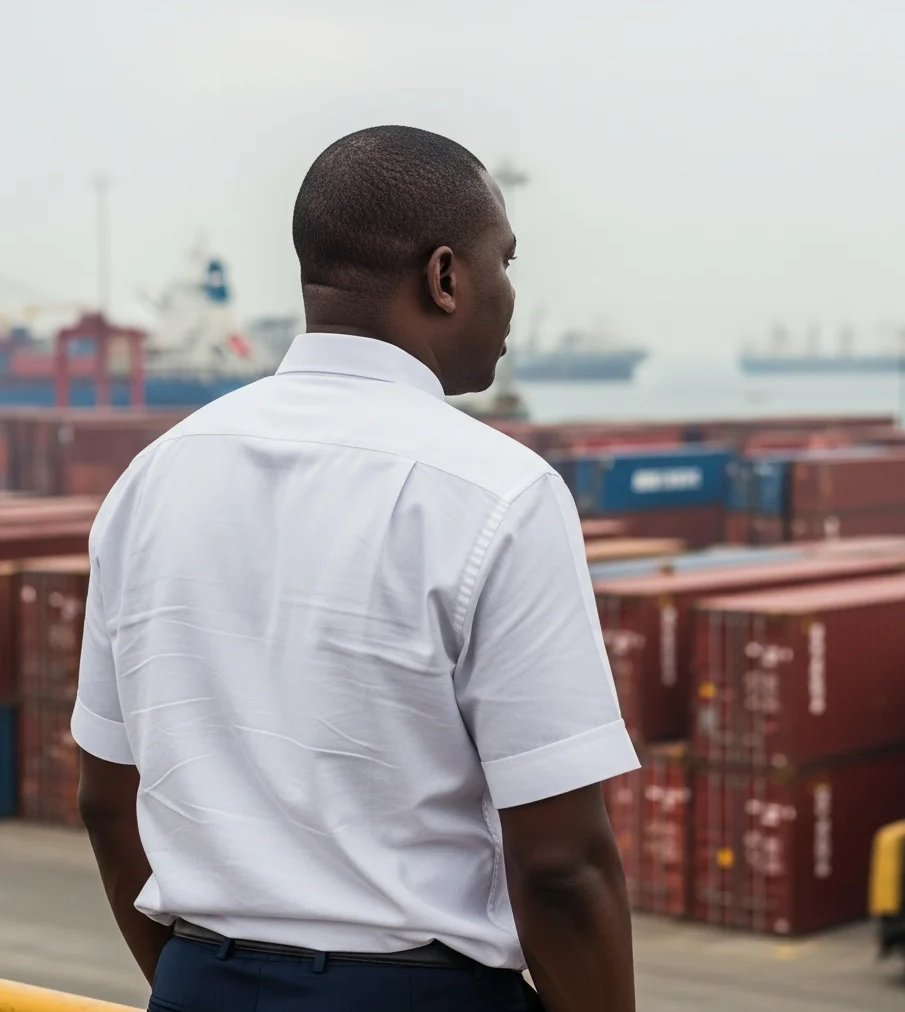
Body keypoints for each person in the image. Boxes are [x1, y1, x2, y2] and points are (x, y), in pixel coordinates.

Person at [73, 126, 639, 1012]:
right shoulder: (499, 491)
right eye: (506, 262)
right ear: (445, 277)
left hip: (196, 988)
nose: (511, 296)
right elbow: (562, 864)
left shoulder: (151, 478)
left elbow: (108, 803)